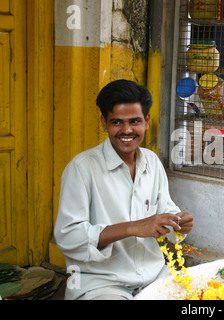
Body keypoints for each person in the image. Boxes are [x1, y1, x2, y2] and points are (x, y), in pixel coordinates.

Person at [54, 79, 194, 300]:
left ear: (146, 121)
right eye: (117, 122)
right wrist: (132, 228)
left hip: (154, 276)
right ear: (104, 123)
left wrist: (179, 222)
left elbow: (166, 210)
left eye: (135, 121)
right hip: (99, 283)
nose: (126, 130)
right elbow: (68, 237)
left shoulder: (152, 162)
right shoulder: (81, 168)